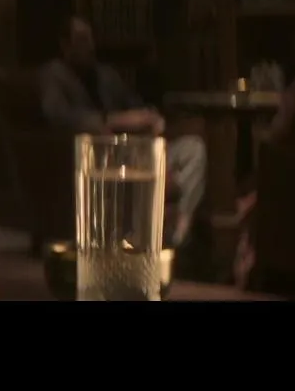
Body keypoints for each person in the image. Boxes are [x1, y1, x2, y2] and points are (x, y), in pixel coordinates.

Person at [38, 15, 207, 249]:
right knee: (140, 162)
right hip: (98, 156)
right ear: (65, 45)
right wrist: (111, 121)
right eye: (82, 40)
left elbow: (133, 103)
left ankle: (178, 234)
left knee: (193, 149)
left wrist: (148, 116)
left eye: (91, 39)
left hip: (138, 146)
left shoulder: (105, 75)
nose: (90, 46)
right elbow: (58, 116)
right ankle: (149, 227)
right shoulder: (53, 75)